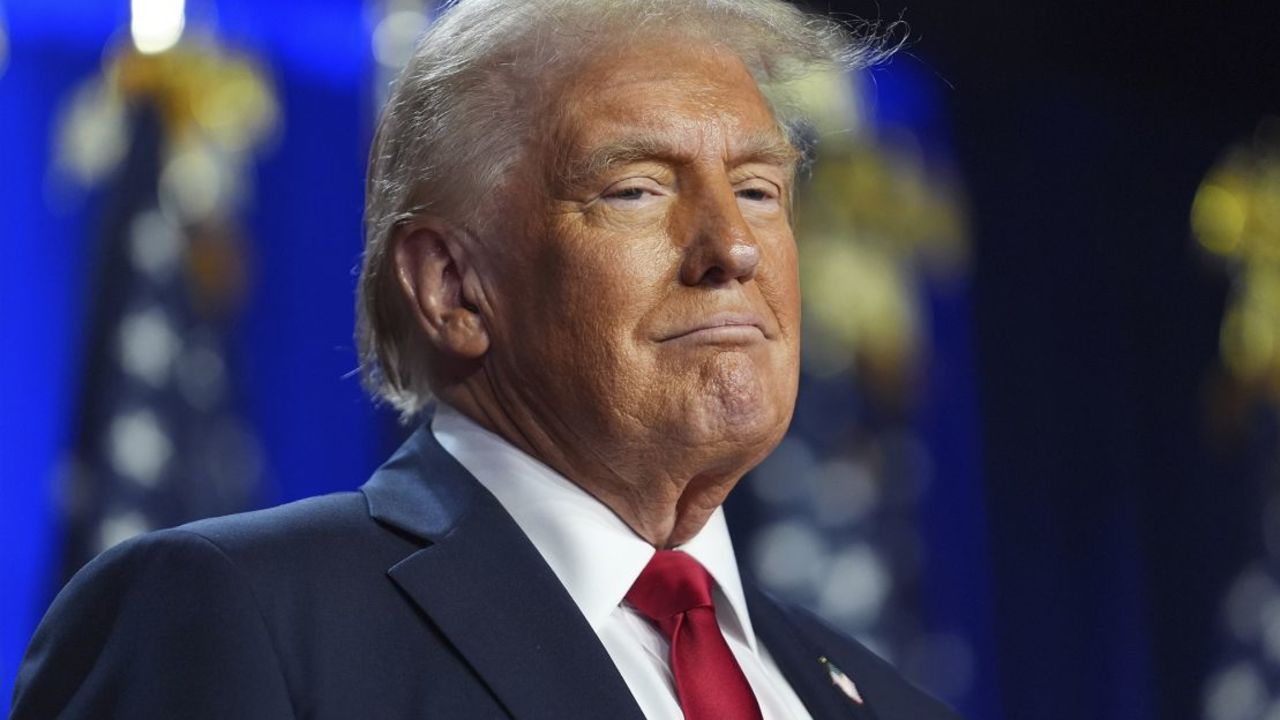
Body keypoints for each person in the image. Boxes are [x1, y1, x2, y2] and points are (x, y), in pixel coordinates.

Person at [12, 1, 961, 718]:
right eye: (634, 190)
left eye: (758, 189)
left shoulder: (883, 699)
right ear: (453, 288)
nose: (734, 247)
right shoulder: (233, 619)